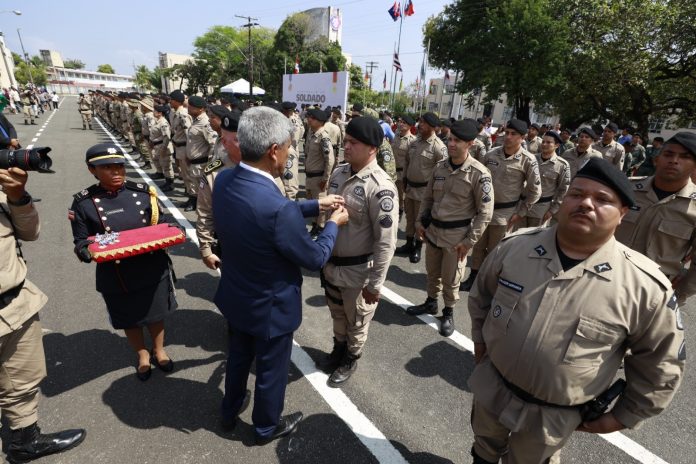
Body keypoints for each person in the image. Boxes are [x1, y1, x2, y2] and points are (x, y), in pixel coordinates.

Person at [468, 158, 685, 464]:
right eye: (576, 194)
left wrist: (622, 417)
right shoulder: (515, 248)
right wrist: (480, 345)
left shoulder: (644, 286)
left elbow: (661, 363)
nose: (585, 203)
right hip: (492, 388)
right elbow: (481, 298)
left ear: (623, 213)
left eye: (602, 199)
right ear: (563, 200)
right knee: (483, 450)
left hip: (552, 416)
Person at [213, 106, 349, 445]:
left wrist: (315, 205)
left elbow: (267, 215)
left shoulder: (226, 178)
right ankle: (264, 428)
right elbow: (314, 256)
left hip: (236, 294)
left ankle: (229, 412)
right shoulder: (276, 206)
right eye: (288, 147)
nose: (290, 154)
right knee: (271, 371)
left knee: (239, 357)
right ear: (274, 150)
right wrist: (332, 224)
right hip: (269, 306)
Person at [70, 144, 178, 381]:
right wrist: (85, 250)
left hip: (151, 264)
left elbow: (164, 220)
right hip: (116, 270)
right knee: (130, 316)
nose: (116, 172)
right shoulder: (84, 202)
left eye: (119, 166)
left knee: (156, 312)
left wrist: (173, 229)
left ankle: (159, 349)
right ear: (92, 170)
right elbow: (80, 239)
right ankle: (141, 354)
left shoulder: (142, 192)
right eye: (107, 168)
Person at [1, 166, 86, 463]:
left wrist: (18, 196)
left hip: (15, 305)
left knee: (22, 381)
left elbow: (30, 232)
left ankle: (26, 440)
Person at [319, 116, 398, 386]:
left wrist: (375, 284)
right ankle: (338, 349)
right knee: (337, 313)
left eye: (353, 143)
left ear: (372, 148)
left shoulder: (381, 187)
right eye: (347, 141)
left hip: (357, 271)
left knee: (357, 320)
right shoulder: (340, 172)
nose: (346, 146)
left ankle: (351, 357)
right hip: (332, 264)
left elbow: (385, 242)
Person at [405, 119, 493, 337]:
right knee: (433, 273)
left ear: (470, 144)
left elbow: (485, 213)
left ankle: (448, 312)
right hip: (433, 231)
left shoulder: (479, 174)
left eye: (457, 141)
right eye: (451, 139)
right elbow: (427, 198)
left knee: (451, 278)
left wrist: (469, 242)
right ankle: (431, 302)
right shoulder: (440, 167)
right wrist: (419, 222)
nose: (451, 144)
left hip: (457, 238)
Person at [461, 119, 542, 291]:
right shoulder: (491, 154)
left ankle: (490, 282)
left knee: (496, 251)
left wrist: (520, 213)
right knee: (478, 247)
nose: (509, 137)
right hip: (484, 211)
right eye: (508, 133)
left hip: (505, 214)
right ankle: (474, 277)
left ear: (522, 138)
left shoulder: (528, 160)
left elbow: (535, 191)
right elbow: (478, 181)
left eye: (514, 134)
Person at [616, 132, 696, 304]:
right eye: (668, 154)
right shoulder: (627, 189)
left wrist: (678, 295)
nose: (674, 160)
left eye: (685, 157)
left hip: (653, 293)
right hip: (605, 276)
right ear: (656, 159)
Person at [398, 112, 448, 263]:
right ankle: (408, 243)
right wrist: (405, 179)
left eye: (424, 123)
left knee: (422, 220)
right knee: (410, 217)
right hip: (410, 188)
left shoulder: (438, 147)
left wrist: (436, 194)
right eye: (420, 121)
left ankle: (417, 247)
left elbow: (443, 172)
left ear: (432, 127)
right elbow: (407, 162)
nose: (420, 125)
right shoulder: (415, 143)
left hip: (425, 191)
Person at [197, 110, 240, 269]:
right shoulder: (213, 171)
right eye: (235, 139)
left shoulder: (265, 165)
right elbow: (204, 210)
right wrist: (206, 249)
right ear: (223, 141)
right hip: (229, 244)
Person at [519, 131, 571, 227]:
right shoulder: (531, 159)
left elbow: (563, 190)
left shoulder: (562, 165)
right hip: (523, 206)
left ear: (556, 145)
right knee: (516, 238)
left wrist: (552, 211)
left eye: (548, 142)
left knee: (534, 239)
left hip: (541, 210)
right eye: (543, 142)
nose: (544, 144)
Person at [304, 108, 336, 236]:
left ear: (320, 121)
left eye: (312, 118)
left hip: (318, 177)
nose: (309, 120)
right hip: (309, 176)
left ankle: (321, 229)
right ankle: (315, 226)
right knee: (311, 203)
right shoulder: (311, 133)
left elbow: (330, 160)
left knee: (321, 206)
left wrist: (325, 179)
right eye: (309, 117)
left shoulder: (324, 137)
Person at [183, 96, 216, 212]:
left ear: (201, 109)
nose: (188, 108)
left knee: (203, 192)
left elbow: (213, 144)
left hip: (201, 164)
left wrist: (209, 165)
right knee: (194, 186)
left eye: (191, 107)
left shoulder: (205, 123)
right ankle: (194, 201)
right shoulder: (196, 120)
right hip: (194, 163)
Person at [169, 90, 192, 202]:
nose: (170, 102)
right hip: (179, 147)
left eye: (171, 100)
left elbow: (188, 135)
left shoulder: (183, 114)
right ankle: (189, 193)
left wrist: (189, 152)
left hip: (184, 148)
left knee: (188, 174)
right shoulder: (176, 113)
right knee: (184, 173)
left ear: (177, 101)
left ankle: (192, 198)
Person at [392, 115, 417, 217]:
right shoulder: (396, 135)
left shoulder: (413, 141)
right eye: (400, 121)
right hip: (392, 171)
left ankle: (401, 212)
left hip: (403, 173)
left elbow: (412, 160)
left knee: (402, 196)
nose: (400, 124)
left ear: (410, 126)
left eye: (404, 123)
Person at [150, 104, 175, 192]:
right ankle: (167, 181)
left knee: (167, 166)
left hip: (164, 146)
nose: (153, 112)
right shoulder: (158, 121)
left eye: (155, 111)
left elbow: (167, 137)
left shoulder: (163, 123)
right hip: (159, 146)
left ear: (160, 113)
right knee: (163, 165)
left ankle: (170, 184)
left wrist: (164, 149)